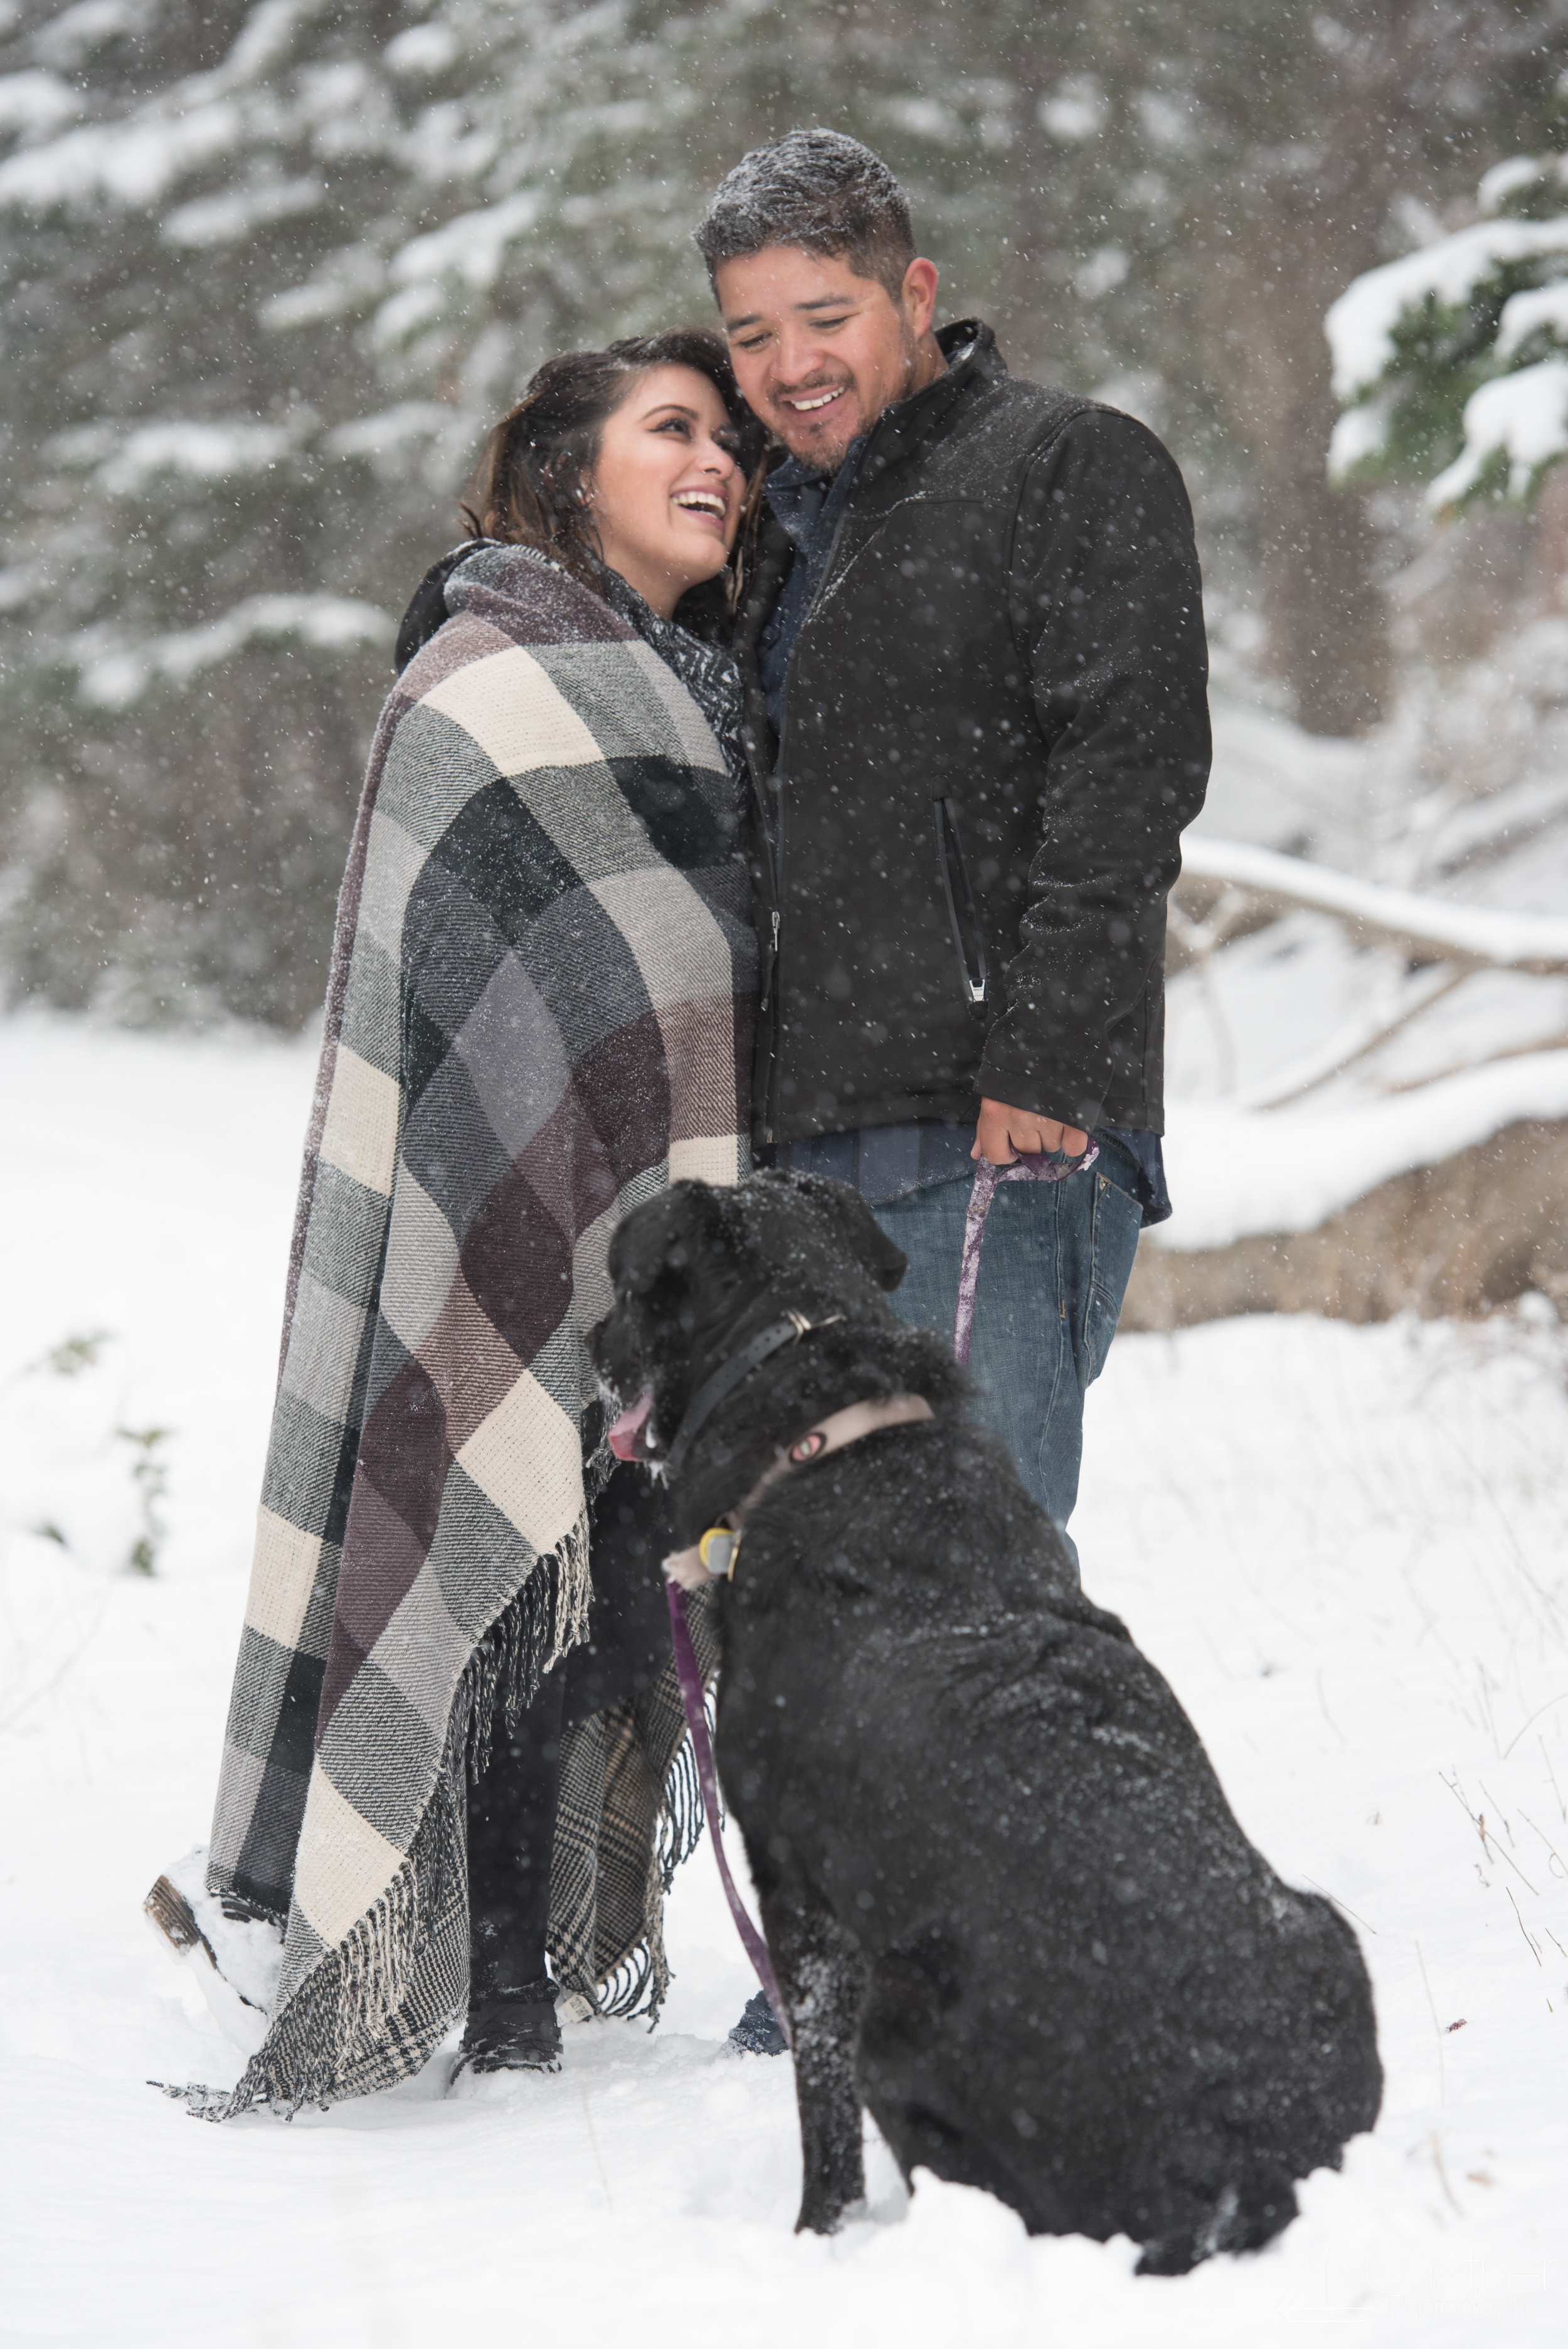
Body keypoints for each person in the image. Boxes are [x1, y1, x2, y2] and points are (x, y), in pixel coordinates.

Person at [159, 331, 762, 2113]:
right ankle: (493, 1971)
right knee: (511, 1573)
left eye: (724, 435)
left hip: (681, 1225)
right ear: (574, 470)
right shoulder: (486, 675)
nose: (715, 457)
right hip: (507, 1189)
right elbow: (479, 980)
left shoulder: (708, 683)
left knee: (619, 1607)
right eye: (673, 429)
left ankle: (556, 1936)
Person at [696, 130, 1211, 1555]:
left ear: (912, 293)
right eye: (753, 337)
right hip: (801, 1147)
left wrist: (1048, 1058)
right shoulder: (778, 529)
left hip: (987, 1126)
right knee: (820, 1599)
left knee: (957, 1586)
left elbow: (1130, 773)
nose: (790, 364)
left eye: (825, 317)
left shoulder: (1061, 464)